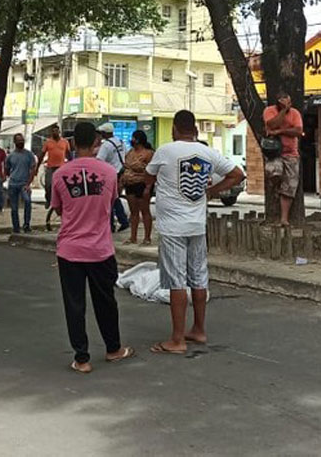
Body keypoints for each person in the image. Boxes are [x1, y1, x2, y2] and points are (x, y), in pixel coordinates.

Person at [144, 110, 244, 355]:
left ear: (174, 129)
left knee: (177, 282)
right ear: (196, 131)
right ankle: (198, 329)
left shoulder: (165, 151)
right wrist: (212, 191)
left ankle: (177, 340)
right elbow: (237, 174)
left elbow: (148, 175)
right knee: (199, 277)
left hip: (173, 228)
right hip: (197, 225)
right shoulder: (207, 152)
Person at [51, 123, 135, 374]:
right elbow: (110, 204)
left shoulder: (60, 174)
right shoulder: (109, 172)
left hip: (70, 249)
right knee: (105, 300)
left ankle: (82, 358)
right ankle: (113, 348)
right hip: (100, 249)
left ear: (74, 143)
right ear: (97, 142)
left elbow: (58, 208)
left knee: (74, 304)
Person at [262, 92, 303, 226]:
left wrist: (280, 131)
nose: (288, 106)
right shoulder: (269, 111)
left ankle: (284, 218)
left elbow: (298, 130)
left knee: (290, 187)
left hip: (291, 153)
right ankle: (275, 189)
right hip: (274, 152)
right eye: (285, 103)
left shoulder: (295, 113)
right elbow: (272, 124)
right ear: (278, 103)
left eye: (289, 103)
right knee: (274, 171)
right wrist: (283, 111)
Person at [121, 131, 155, 245]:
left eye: (134, 138)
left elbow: (151, 172)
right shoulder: (130, 152)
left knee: (145, 211)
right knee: (133, 212)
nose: (132, 140)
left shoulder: (148, 153)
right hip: (129, 184)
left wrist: (148, 187)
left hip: (142, 184)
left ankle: (147, 238)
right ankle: (133, 237)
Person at [96, 122, 130, 233]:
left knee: (108, 199)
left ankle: (112, 225)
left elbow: (99, 161)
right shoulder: (120, 141)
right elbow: (127, 155)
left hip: (110, 174)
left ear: (105, 133)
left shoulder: (106, 145)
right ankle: (122, 221)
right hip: (120, 172)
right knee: (114, 198)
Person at [36, 124, 70, 231]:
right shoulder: (48, 143)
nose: (55, 133)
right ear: (51, 133)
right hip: (51, 167)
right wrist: (37, 167)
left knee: (63, 186)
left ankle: (60, 201)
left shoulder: (65, 142)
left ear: (59, 132)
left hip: (61, 167)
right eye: (53, 131)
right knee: (48, 184)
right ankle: (48, 199)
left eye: (57, 131)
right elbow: (41, 155)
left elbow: (69, 154)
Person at [6, 133, 36, 234]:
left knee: (27, 202)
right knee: (14, 208)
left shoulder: (29, 155)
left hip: (24, 184)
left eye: (22, 140)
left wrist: (28, 183)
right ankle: (16, 227)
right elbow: (6, 169)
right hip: (13, 184)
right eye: (18, 140)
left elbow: (33, 169)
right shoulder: (11, 156)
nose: (20, 142)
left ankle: (26, 224)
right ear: (15, 142)